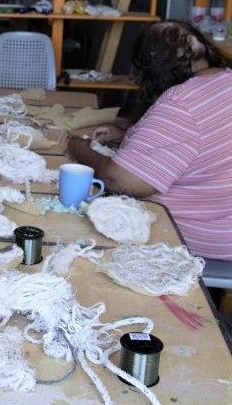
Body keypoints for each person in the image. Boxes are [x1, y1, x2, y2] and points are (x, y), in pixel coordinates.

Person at [67, 21, 232, 260]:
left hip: (196, 236)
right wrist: (130, 135)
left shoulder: (182, 103)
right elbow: (202, 143)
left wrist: (78, 148)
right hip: (223, 223)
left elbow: (120, 180)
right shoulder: (224, 81)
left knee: (75, 226)